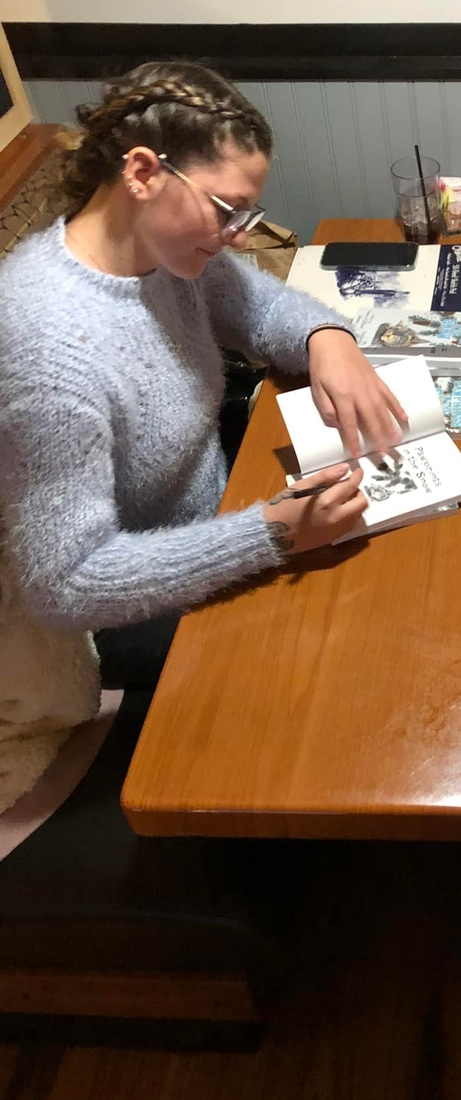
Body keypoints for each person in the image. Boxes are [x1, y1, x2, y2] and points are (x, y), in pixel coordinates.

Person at [0, 61, 408, 686]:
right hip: (136, 607)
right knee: (349, 659)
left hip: (227, 511)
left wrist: (329, 338)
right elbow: (67, 585)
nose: (239, 237)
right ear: (142, 173)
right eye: (227, 209)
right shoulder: (47, 348)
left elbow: (262, 305)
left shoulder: (159, 251)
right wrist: (269, 535)